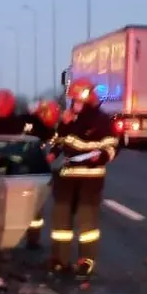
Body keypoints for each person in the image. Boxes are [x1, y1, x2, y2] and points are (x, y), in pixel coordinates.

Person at [48, 78, 117, 277]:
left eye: (76, 101)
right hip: (67, 176)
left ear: (86, 100)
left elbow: (112, 146)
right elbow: (60, 142)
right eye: (72, 101)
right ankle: (59, 260)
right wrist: (53, 151)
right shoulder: (69, 121)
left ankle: (86, 260)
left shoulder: (102, 121)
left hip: (90, 177)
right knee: (61, 220)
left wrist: (101, 156)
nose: (73, 104)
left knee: (87, 223)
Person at [0, 90, 52, 248]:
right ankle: (32, 240)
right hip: (21, 171)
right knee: (31, 206)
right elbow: (46, 133)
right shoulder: (24, 122)